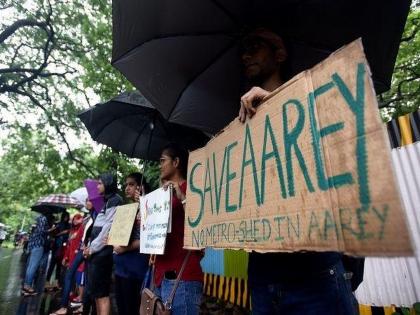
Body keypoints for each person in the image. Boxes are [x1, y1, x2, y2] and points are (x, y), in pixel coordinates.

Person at [238, 28, 359, 315]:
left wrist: (278, 103)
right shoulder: (244, 123)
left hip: (315, 275)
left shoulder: (317, 98)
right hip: (263, 276)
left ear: (280, 54)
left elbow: (338, 153)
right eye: (244, 50)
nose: (246, 55)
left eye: (256, 46)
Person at [152, 143, 204, 314]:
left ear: (176, 162)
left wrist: (181, 196)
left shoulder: (192, 188)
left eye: (163, 160)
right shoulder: (161, 194)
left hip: (183, 276)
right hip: (159, 274)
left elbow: (199, 223)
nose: (160, 165)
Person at [83, 173, 122, 315]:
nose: (97, 186)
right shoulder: (107, 201)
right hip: (97, 251)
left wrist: (92, 248)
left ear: (108, 183)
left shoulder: (115, 200)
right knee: (97, 294)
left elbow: (107, 229)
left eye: (100, 183)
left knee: (102, 294)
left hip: (102, 252)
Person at [113, 172, 150, 315]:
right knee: (121, 307)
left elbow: (148, 238)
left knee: (131, 308)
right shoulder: (127, 209)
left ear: (140, 186)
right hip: (120, 267)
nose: (127, 188)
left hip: (135, 268)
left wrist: (125, 248)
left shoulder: (148, 207)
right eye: (126, 185)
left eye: (131, 184)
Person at [50, 213, 85, 315]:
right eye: (74, 218)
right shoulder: (71, 231)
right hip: (71, 260)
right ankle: (70, 301)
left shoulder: (82, 229)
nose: (75, 220)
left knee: (78, 281)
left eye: (78, 218)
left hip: (79, 260)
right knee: (70, 280)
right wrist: (65, 257)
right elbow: (69, 246)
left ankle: (73, 303)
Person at [22, 212, 55, 295]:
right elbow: (41, 231)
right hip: (38, 245)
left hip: (33, 244)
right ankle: (28, 286)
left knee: (30, 266)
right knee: (33, 266)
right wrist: (50, 230)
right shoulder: (43, 219)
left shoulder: (38, 219)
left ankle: (26, 285)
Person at [46, 211, 70, 290]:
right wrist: (62, 233)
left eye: (67, 217)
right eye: (65, 216)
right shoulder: (58, 224)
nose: (66, 218)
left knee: (59, 265)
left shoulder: (68, 225)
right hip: (57, 246)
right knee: (53, 264)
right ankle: (47, 282)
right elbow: (53, 234)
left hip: (62, 247)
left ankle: (56, 282)